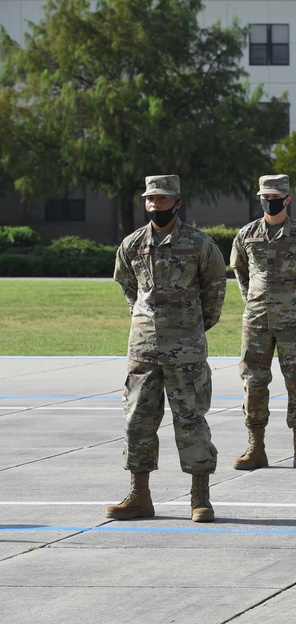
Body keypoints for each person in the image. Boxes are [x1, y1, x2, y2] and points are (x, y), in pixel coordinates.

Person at [107, 175, 227, 523]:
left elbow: (215, 289)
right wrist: (143, 317)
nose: (156, 205)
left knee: (190, 420)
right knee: (137, 422)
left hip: (186, 350)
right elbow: (127, 285)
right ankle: (139, 495)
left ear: (177, 202)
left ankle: (199, 497)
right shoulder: (132, 244)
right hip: (143, 351)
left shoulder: (199, 244)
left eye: (163, 199)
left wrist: (193, 324)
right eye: (151, 199)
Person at [230, 174, 296, 471]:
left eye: (275, 198)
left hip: (292, 324)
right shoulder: (246, 235)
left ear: (287, 199)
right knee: (254, 384)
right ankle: (256, 447)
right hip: (257, 323)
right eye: (265, 198)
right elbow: (240, 271)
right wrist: (253, 301)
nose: (270, 203)